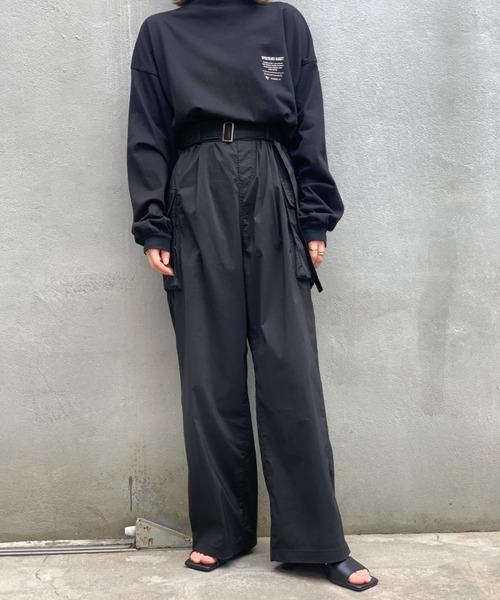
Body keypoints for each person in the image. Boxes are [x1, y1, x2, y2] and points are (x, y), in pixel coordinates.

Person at [126, 0, 378, 592]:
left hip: (273, 182)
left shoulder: (284, 23)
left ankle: (317, 540)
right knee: (207, 374)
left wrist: (314, 218)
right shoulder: (161, 32)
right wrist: (153, 224)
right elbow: (147, 134)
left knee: (291, 368)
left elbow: (308, 123)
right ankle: (221, 532)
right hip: (196, 187)